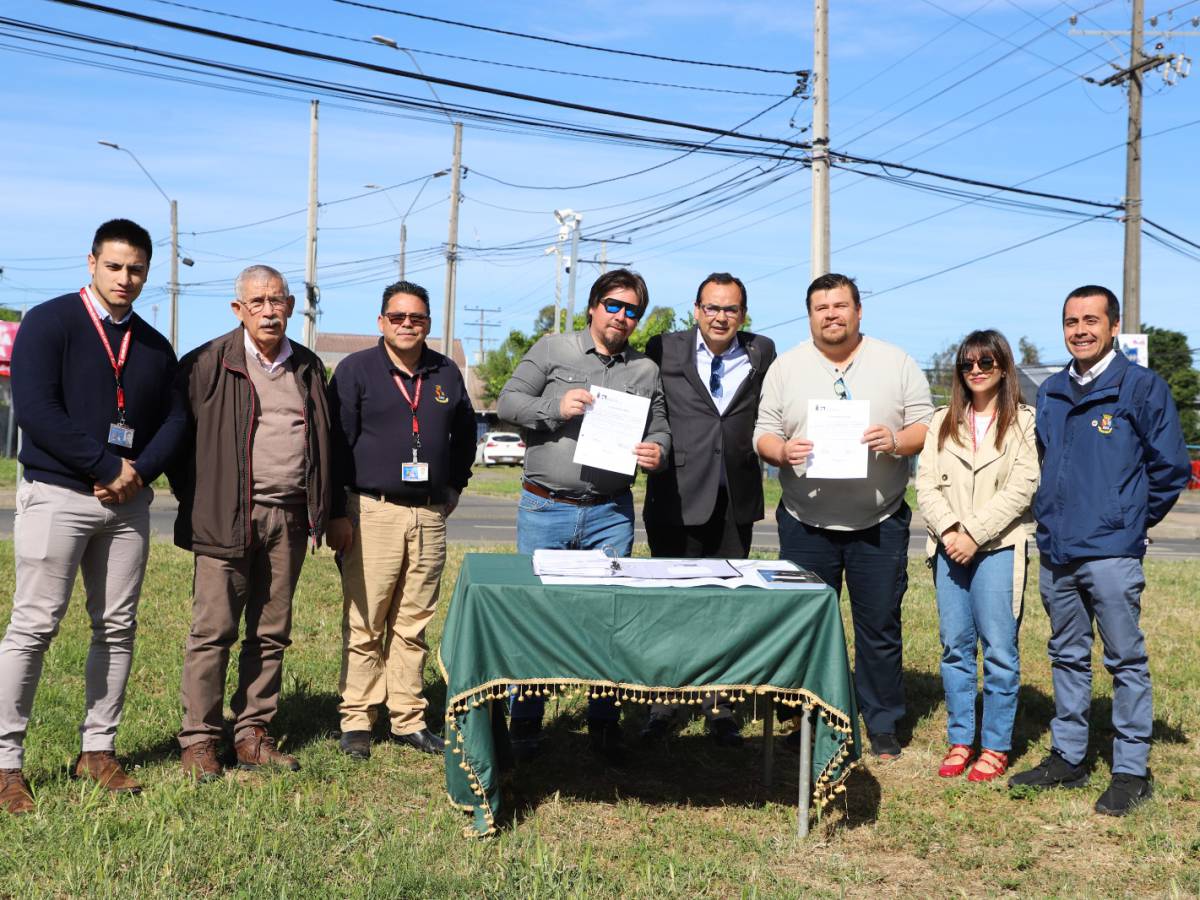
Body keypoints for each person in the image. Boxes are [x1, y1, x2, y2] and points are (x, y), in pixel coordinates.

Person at [0, 219, 185, 815]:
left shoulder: (154, 344)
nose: (125, 278)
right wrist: (106, 465)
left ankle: (97, 750)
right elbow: (35, 409)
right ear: (91, 263)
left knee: (117, 626)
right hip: (59, 494)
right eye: (114, 266)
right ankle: (6, 763)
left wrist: (137, 473)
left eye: (136, 269)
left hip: (127, 504)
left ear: (147, 272)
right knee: (34, 627)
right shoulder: (49, 322)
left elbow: (176, 422)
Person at [1008, 285, 1189, 816]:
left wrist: (1128, 522)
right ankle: (1068, 756)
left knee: (1125, 660)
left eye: (1091, 319)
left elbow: (1171, 469)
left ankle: (1131, 770)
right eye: (1070, 321)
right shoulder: (1052, 391)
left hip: (1111, 552)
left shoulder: (1141, 387)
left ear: (1114, 327)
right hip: (1058, 550)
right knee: (1066, 657)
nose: (1080, 329)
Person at [753, 273, 933, 760]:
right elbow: (763, 433)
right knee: (808, 626)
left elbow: (926, 424)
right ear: (809, 315)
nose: (831, 314)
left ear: (858, 311)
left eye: (840, 305)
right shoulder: (787, 367)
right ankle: (805, 717)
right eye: (820, 307)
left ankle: (882, 722)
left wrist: (896, 441)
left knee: (879, 626)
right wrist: (782, 450)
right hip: (805, 520)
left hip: (879, 521)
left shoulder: (895, 362)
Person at [496, 268, 670, 764]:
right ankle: (525, 722)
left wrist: (656, 450)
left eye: (632, 310)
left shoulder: (644, 371)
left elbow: (661, 429)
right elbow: (508, 403)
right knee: (537, 616)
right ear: (593, 306)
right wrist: (556, 405)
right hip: (546, 506)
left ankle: (604, 722)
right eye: (613, 305)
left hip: (610, 513)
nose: (621, 316)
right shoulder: (554, 350)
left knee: (608, 618)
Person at [172, 264, 331, 782]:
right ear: (238, 309)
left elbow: (326, 443)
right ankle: (200, 740)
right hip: (224, 517)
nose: (269, 311)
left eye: (277, 301)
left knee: (271, 632)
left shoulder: (307, 366)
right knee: (212, 631)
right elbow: (178, 441)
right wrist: (201, 500)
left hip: (288, 518)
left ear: (290, 306)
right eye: (257, 302)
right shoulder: (207, 362)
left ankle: (252, 733)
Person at [327, 281, 475, 761]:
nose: (407, 325)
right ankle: (357, 720)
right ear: (381, 322)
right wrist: (336, 512)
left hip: (430, 514)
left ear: (428, 323)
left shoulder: (445, 372)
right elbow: (333, 445)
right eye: (398, 317)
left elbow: (466, 435)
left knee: (414, 622)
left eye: (417, 318)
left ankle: (408, 717)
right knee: (367, 620)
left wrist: (454, 487)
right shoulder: (356, 371)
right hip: (372, 510)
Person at [640, 272, 777, 747]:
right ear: (696, 310)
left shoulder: (762, 351)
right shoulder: (663, 348)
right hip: (675, 493)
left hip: (735, 498)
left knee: (726, 605)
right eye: (712, 308)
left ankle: (721, 702)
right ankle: (665, 698)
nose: (721, 317)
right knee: (672, 602)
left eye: (731, 309)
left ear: (743, 314)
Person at [915, 330, 1038, 783]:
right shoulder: (942, 420)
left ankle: (996, 745)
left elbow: (1023, 487)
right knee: (955, 647)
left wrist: (973, 533)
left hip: (1000, 547)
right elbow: (925, 483)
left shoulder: (1024, 421)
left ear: (1003, 368)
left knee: (1000, 651)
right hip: (948, 548)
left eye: (986, 363)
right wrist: (950, 530)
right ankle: (961, 738)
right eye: (968, 364)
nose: (976, 371)